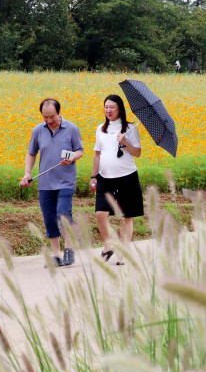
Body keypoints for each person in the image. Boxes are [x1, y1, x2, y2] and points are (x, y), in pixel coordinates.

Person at [21, 98, 83, 267]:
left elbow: (80, 151)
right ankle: (55, 255)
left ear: (60, 112)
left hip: (66, 181)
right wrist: (27, 173)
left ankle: (69, 248)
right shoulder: (37, 130)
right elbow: (31, 153)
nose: (49, 120)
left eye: (52, 116)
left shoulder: (71, 129)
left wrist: (71, 157)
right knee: (49, 219)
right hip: (45, 183)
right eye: (45, 117)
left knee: (63, 213)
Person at [90, 94, 143, 264]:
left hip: (127, 176)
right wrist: (93, 176)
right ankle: (108, 245)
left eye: (112, 107)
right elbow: (97, 154)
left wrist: (125, 142)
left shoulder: (130, 128)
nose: (108, 110)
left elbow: (137, 153)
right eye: (106, 107)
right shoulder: (101, 129)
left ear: (119, 108)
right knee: (100, 213)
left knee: (126, 216)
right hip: (105, 178)